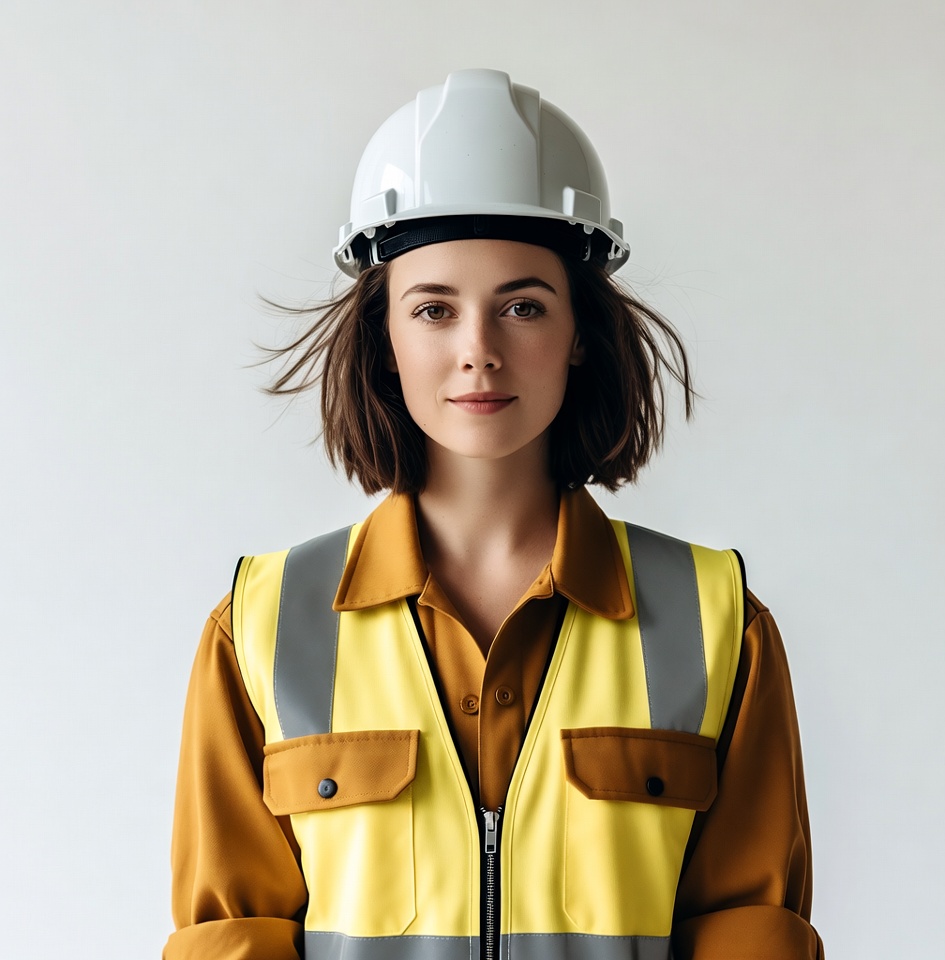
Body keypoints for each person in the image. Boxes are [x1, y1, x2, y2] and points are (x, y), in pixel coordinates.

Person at [164, 69, 823, 960]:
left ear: (579, 332)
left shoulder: (716, 621)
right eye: (433, 309)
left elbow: (754, 933)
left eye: (522, 305)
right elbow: (230, 939)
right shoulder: (262, 626)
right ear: (386, 340)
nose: (478, 352)